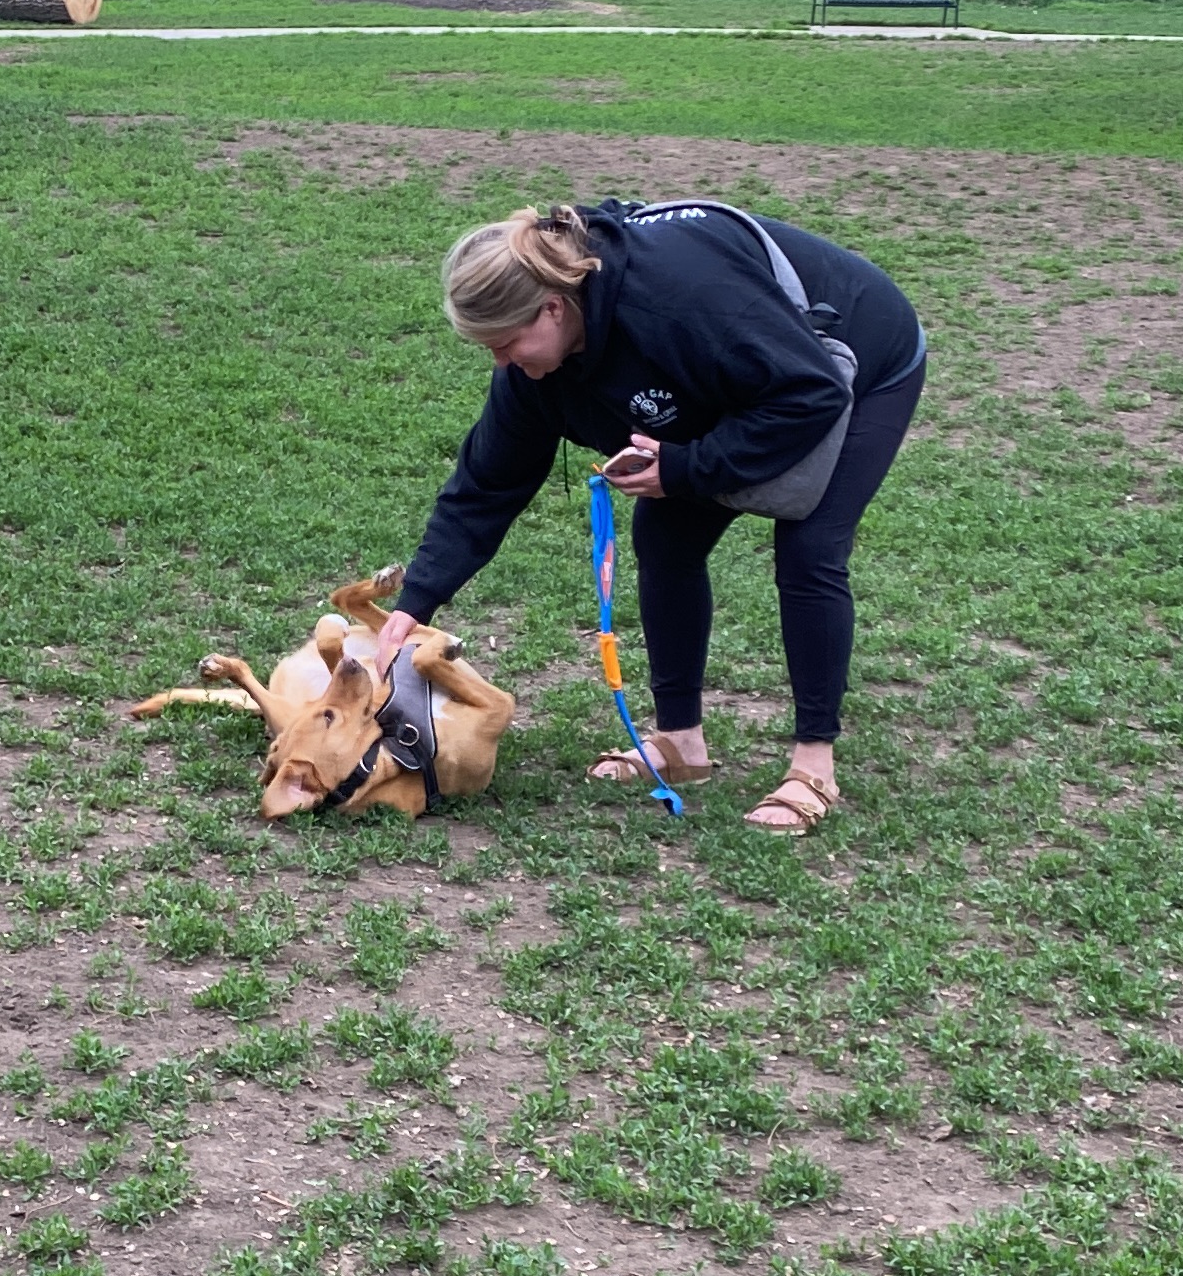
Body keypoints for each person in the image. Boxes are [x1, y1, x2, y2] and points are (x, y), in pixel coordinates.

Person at [372, 195, 925, 833]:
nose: (503, 364)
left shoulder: (678, 301)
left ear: (553, 307)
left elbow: (809, 392)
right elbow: (486, 485)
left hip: (853, 355)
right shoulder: (537, 371)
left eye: (507, 343)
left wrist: (688, 468)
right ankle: (681, 743)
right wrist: (416, 604)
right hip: (738, 375)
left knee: (809, 550)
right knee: (664, 537)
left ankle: (813, 766)